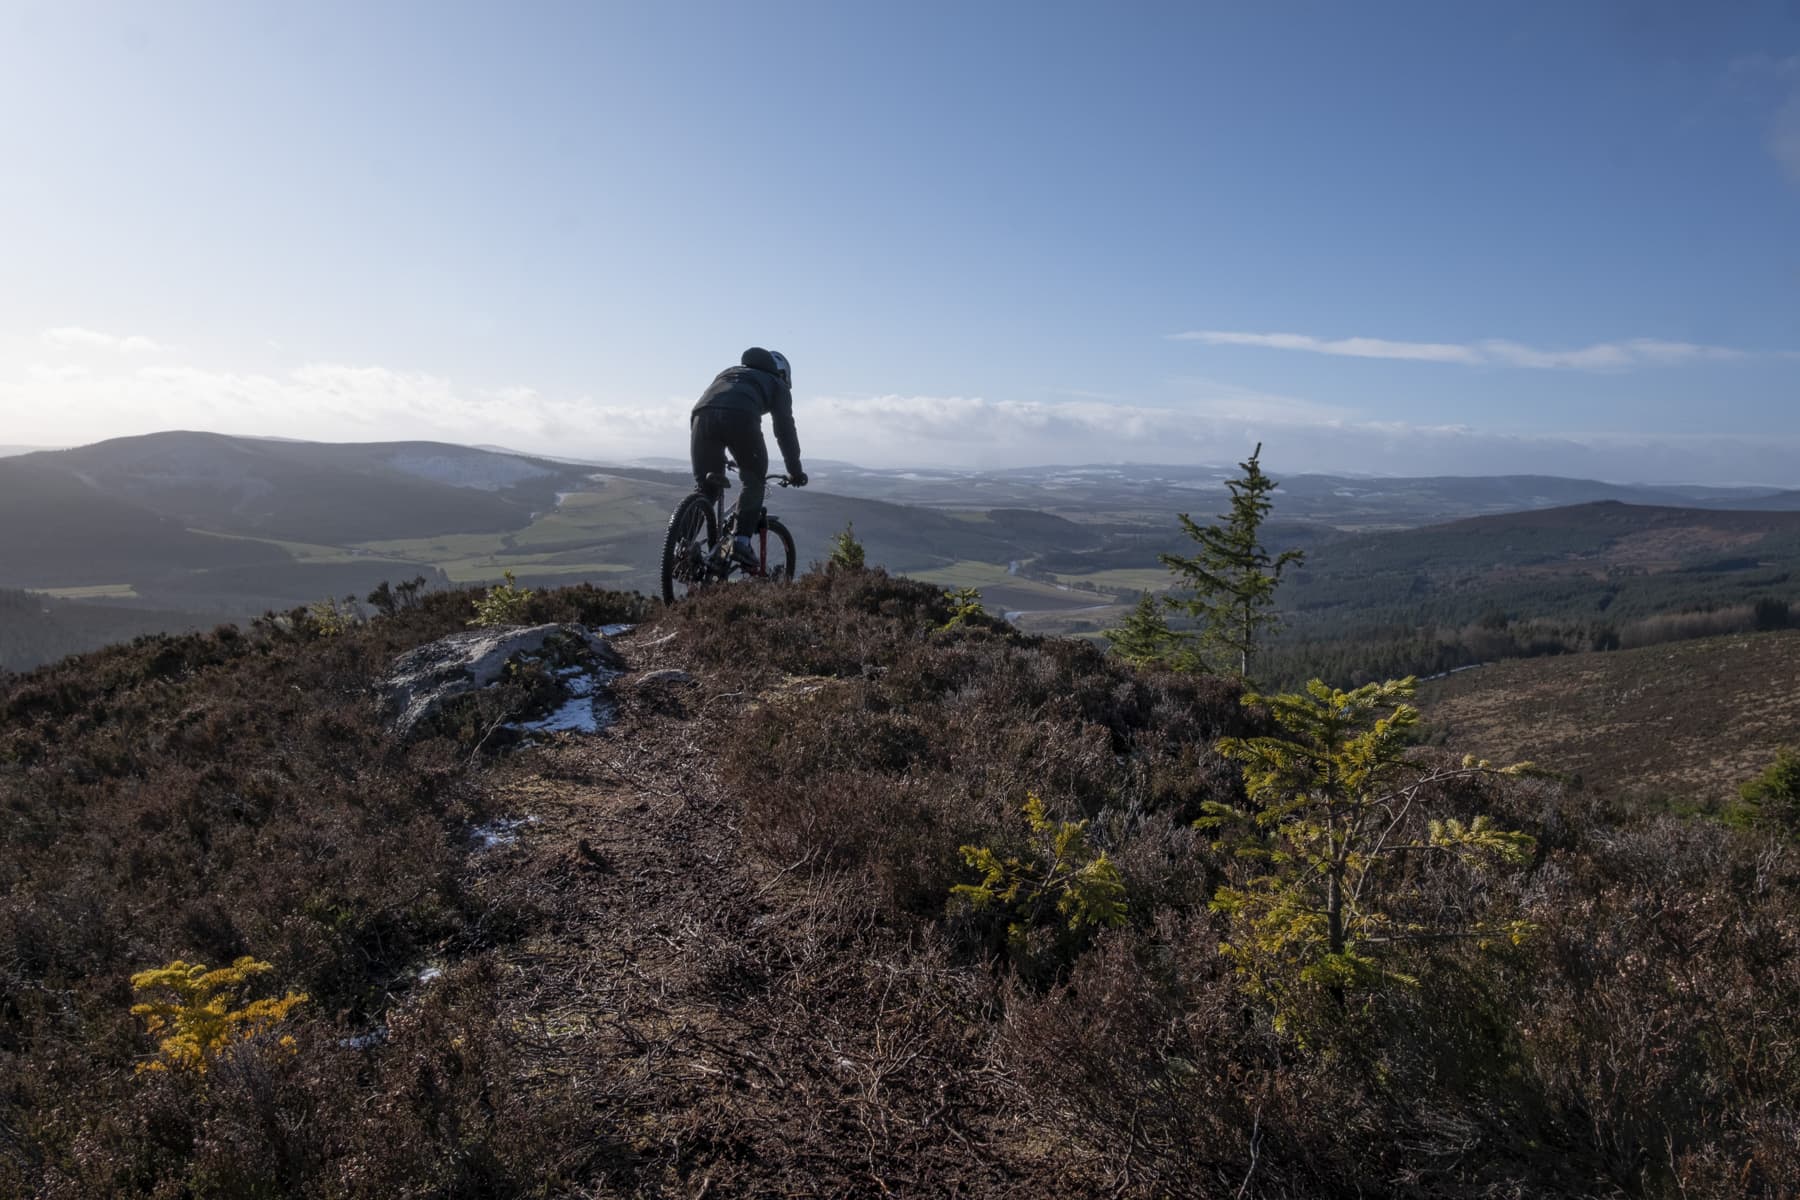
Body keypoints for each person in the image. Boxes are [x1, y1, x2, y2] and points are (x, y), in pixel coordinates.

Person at [690, 347, 808, 567]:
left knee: (706, 488)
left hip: (701, 416)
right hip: (740, 417)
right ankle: (741, 542)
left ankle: (680, 545)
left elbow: (718, 405)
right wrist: (795, 470)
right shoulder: (777, 384)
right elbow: (785, 429)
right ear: (783, 373)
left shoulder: (730, 372)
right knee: (754, 481)